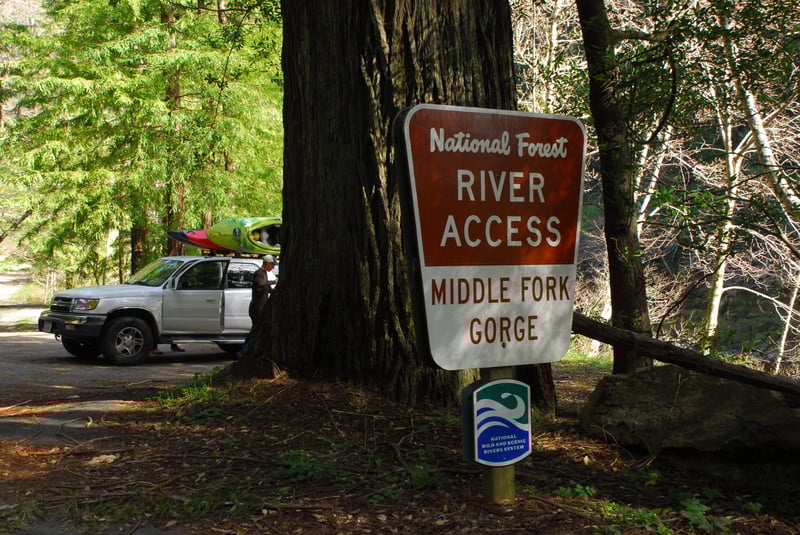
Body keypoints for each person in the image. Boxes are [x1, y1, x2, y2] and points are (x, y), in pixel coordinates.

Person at [249, 254, 277, 325]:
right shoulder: (259, 273)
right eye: (272, 265)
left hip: (261, 308)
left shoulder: (264, 273)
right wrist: (274, 281)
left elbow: (268, 289)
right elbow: (260, 283)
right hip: (257, 308)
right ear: (267, 263)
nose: (273, 267)